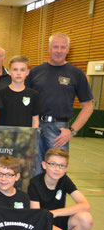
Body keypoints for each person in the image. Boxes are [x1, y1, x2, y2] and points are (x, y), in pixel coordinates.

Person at [25, 33, 93, 174]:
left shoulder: (77, 74)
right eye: (55, 46)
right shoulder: (35, 72)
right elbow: (24, 101)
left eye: (63, 47)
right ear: (49, 49)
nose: (59, 50)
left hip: (59, 132)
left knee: (56, 173)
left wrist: (72, 131)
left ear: (68, 50)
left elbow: (88, 107)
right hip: (35, 127)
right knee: (33, 172)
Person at [28, 148, 93, 230]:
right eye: (53, 164)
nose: (57, 169)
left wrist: (56, 213)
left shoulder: (64, 180)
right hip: (40, 223)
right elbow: (36, 216)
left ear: (66, 168)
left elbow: (85, 205)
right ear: (44, 165)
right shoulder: (35, 183)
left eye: (61, 166)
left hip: (57, 219)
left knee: (86, 218)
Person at [0, 55, 42, 127]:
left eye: (22, 70)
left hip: (25, 136)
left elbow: (35, 120)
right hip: (5, 136)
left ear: (27, 72)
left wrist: (33, 136)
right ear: (9, 72)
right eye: (15, 69)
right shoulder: (1, 94)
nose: (18, 73)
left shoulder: (34, 95)